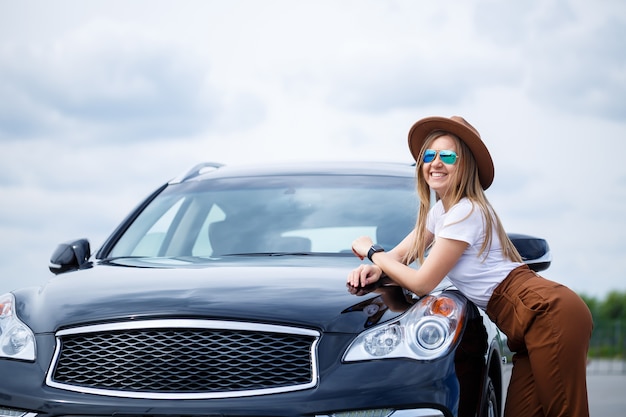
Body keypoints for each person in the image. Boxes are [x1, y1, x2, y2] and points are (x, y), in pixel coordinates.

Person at [347, 115, 593, 417]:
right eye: (429, 155)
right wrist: (374, 268)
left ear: (464, 166)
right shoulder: (442, 213)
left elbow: (422, 282)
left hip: (547, 313)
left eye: (447, 156)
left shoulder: (466, 212)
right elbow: (399, 257)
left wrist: (372, 251)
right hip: (525, 326)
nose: (436, 162)